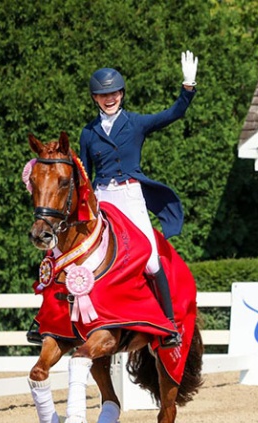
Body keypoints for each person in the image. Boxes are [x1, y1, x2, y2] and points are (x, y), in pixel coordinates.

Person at [78, 51, 199, 347]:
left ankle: (169, 325)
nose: (110, 98)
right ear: (95, 98)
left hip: (130, 196)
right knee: (79, 258)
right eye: (103, 94)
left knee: (151, 261)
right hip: (102, 198)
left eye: (115, 93)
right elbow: (83, 173)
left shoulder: (135, 123)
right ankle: (59, 322)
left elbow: (173, 114)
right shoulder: (87, 133)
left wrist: (188, 87)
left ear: (122, 94)